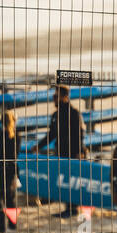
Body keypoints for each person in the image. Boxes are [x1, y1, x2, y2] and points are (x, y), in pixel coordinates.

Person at [36, 85, 86, 217]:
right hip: (61, 152)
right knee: (62, 179)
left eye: (56, 96)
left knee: (71, 181)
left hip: (72, 153)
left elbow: (80, 134)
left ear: (65, 97)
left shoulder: (74, 113)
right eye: (53, 96)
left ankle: (72, 209)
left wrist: (79, 152)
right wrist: (38, 146)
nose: (54, 99)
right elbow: (51, 134)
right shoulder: (56, 115)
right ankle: (65, 205)